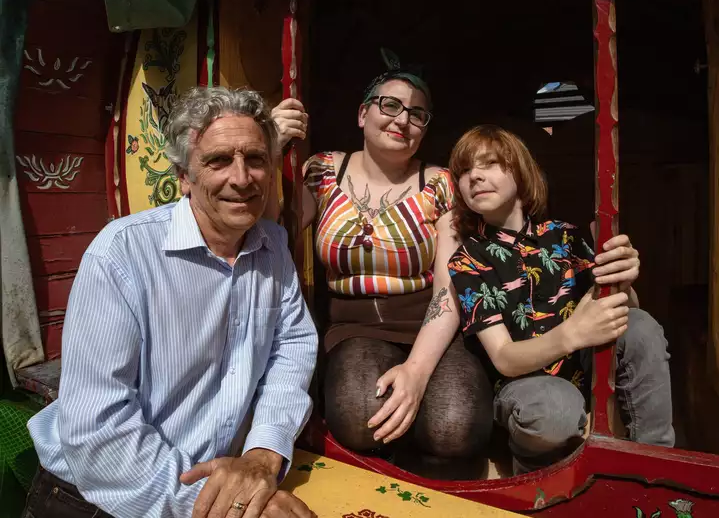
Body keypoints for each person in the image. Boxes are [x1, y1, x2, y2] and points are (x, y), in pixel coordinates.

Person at [24, 87, 318, 518]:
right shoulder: (122, 254)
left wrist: (262, 453)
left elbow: (290, 349)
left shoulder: (272, 246)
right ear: (184, 176)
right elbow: (97, 431)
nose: (241, 177)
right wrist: (234, 504)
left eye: (256, 159)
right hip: (94, 500)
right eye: (219, 160)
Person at [271, 67, 492, 475]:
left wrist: (416, 371)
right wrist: (271, 148)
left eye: (418, 114)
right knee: (360, 417)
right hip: (353, 328)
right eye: (390, 105)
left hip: (432, 325)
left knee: (455, 424)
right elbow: (272, 233)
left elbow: (448, 288)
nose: (402, 119)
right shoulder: (322, 172)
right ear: (362, 114)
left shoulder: (439, 183)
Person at [447, 125, 675, 474]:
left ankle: (656, 468)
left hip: (584, 370)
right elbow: (505, 359)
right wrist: (573, 334)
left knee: (641, 326)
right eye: (464, 171)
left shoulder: (563, 236)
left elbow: (622, 313)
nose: (475, 176)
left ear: (521, 174)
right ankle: (535, 486)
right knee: (555, 409)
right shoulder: (467, 260)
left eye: (490, 164)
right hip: (525, 387)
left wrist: (624, 283)